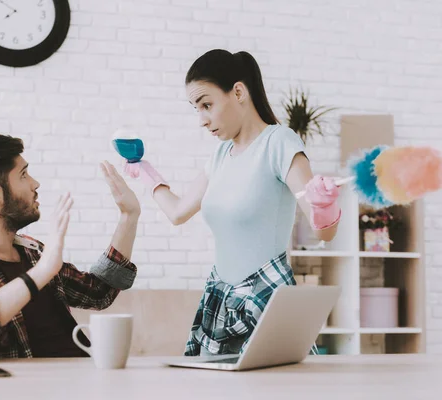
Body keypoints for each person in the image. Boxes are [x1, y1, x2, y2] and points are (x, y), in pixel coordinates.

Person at [124, 49, 341, 356]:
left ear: (238, 91)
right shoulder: (220, 155)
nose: (202, 119)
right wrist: (146, 172)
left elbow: (324, 234)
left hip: (266, 300)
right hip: (220, 300)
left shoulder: (279, 142)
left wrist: (325, 204)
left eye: (207, 105)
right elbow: (177, 212)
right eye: (196, 109)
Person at [0, 133, 141, 361]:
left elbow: (99, 293)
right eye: (23, 175)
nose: (35, 183)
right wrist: (40, 274)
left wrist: (129, 216)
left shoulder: (33, 252)